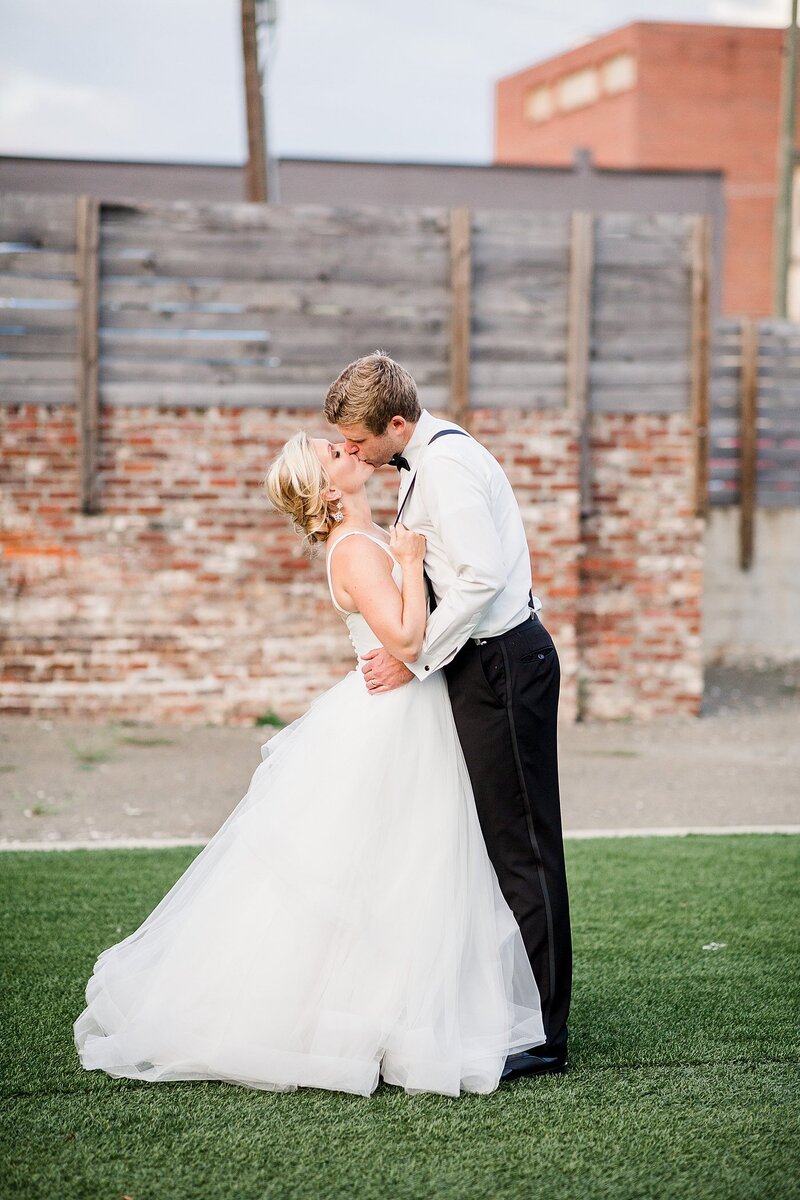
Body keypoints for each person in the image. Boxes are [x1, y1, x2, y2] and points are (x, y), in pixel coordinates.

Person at [72, 430, 545, 1099]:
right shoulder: (355, 550)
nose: (348, 450)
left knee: (408, 876)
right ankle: (352, 1024)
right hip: (393, 724)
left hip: (415, 711)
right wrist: (410, 561)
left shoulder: (373, 531)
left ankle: (401, 1015)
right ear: (327, 490)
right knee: (387, 877)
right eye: (333, 454)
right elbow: (407, 639)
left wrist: (408, 551)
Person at [324, 351, 572, 1079]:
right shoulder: (423, 462)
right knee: (501, 845)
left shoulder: (448, 467)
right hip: (481, 662)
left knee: (523, 848)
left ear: (396, 424)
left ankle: (547, 1036)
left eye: (361, 441)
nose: (356, 453)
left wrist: (415, 655)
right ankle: (515, 1006)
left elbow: (482, 577)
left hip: (502, 662)